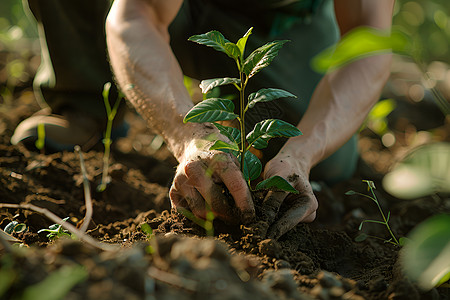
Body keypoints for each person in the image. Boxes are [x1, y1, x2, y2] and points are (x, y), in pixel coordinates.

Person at [13, 0, 394, 239]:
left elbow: (367, 40)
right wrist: (188, 136)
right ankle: (84, 104)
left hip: (284, 23)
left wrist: (304, 150)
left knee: (325, 164)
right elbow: (135, 14)